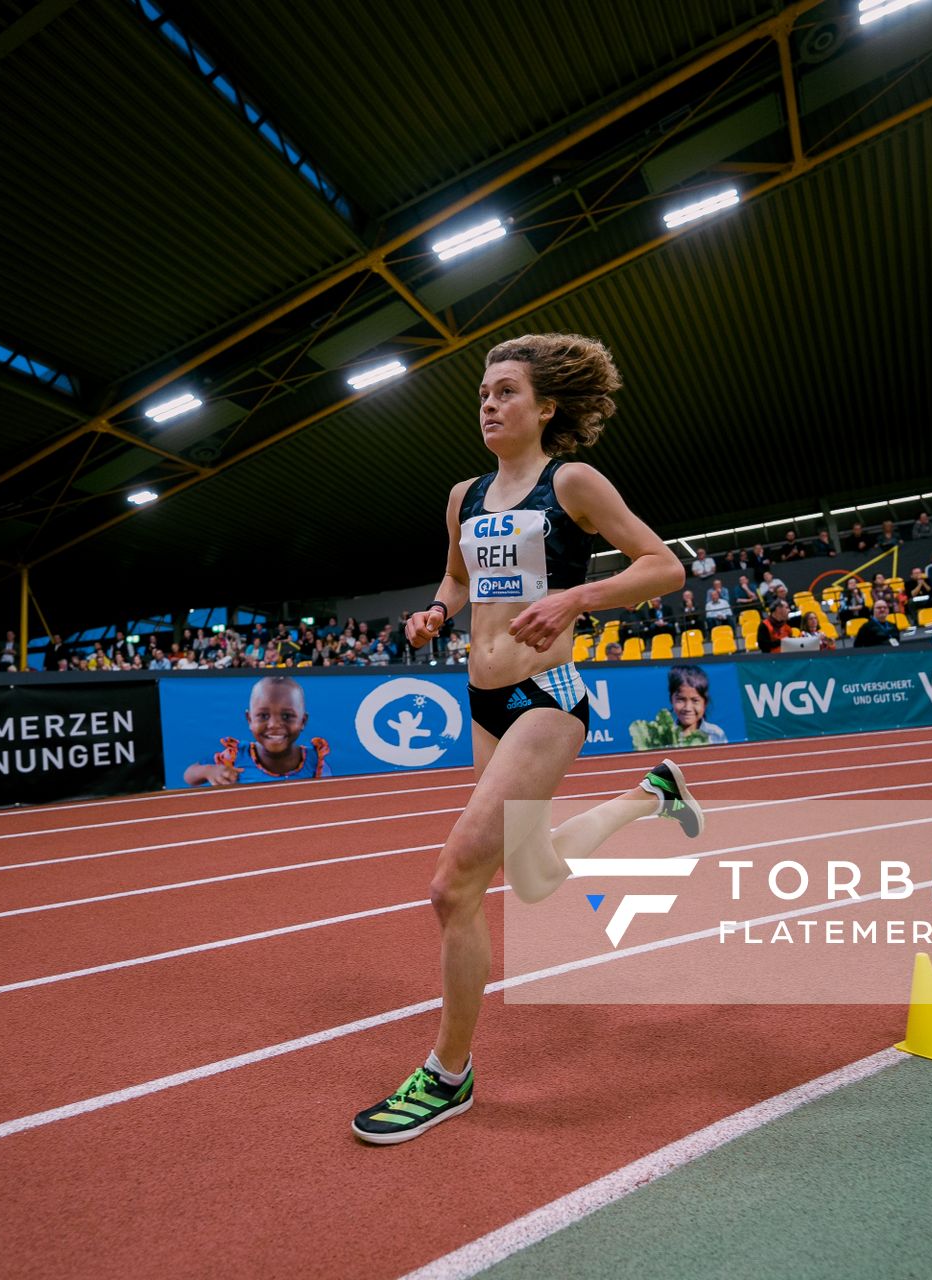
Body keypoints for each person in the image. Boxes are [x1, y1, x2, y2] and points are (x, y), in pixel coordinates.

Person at [354, 333, 703, 1146]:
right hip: (482, 702)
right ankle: (652, 795)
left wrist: (580, 597)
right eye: (483, 391)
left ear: (546, 407)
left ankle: (448, 1074)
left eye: (506, 391)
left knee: (453, 887)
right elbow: (457, 577)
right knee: (539, 876)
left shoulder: (570, 482)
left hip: (550, 696)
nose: (488, 403)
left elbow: (663, 567)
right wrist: (437, 612)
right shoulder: (462, 496)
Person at [185, 675, 329, 786]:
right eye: (263, 716)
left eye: (287, 716)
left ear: (303, 721)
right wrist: (209, 771)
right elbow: (190, 775)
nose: (274, 724)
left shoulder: (315, 762)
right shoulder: (235, 757)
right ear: (249, 719)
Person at [630, 663, 731, 749]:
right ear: (671, 700)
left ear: (705, 703)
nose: (688, 708)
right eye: (681, 700)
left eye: (695, 701)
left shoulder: (716, 734)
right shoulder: (663, 737)